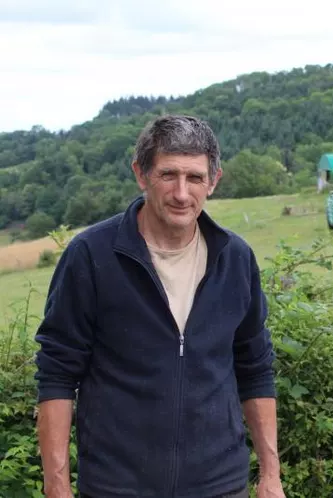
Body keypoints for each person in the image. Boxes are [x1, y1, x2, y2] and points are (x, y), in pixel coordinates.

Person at [33, 115, 285, 498]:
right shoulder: (91, 256)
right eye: (168, 174)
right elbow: (57, 374)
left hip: (219, 486)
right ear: (141, 174)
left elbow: (255, 368)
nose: (182, 193)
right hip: (116, 488)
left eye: (195, 178)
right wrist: (57, 488)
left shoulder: (234, 258)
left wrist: (271, 476)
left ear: (214, 181)